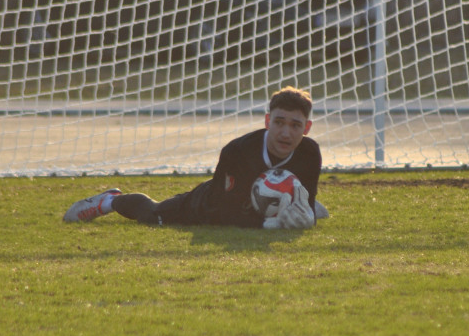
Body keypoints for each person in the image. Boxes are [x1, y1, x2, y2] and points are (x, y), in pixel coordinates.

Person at [63, 86, 326, 229]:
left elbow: (308, 205)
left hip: (248, 208)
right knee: (154, 216)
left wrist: (305, 213)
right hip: (209, 204)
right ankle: (109, 201)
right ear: (268, 121)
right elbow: (226, 212)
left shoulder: (310, 153)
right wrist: (274, 223)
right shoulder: (238, 152)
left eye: (295, 125)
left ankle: (282, 199)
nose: (286, 133)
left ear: (307, 128)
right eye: (279, 122)